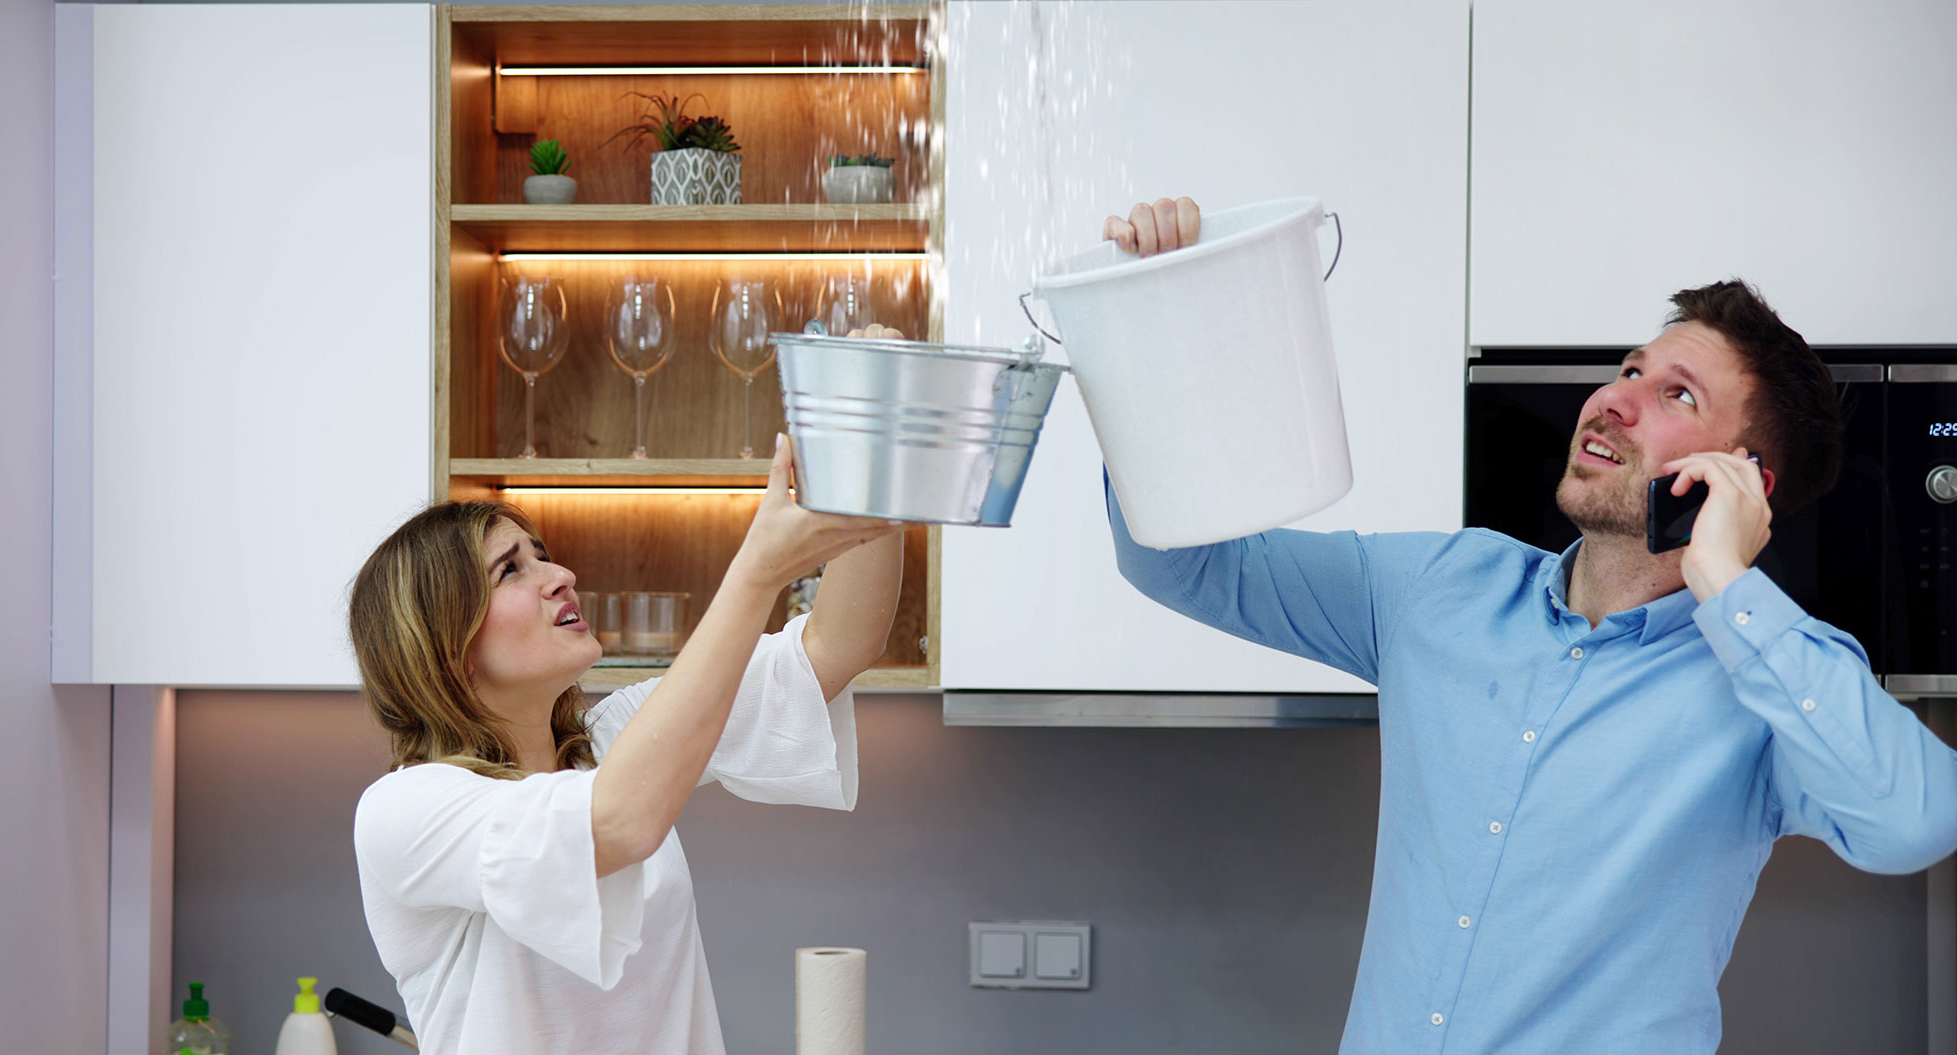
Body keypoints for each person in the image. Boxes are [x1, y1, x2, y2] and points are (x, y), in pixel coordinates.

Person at [1101, 197, 1957, 1053]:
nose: (1616, 399)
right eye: (1629, 369)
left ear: (1736, 478)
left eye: (1675, 394)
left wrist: (1729, 579)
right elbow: (1182, 561)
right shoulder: (1437, 587)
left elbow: (1918, 817)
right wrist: (1155, 324)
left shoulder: (1767, 682)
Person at [347, 435, 904, 1055]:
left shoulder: (607, 743)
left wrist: (874, 441)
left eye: (544, 556)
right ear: (446, 647)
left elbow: (838, 645)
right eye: (510, 569)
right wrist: (757, 572)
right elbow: (617, 824)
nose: (561, 576)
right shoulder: (405, 811)